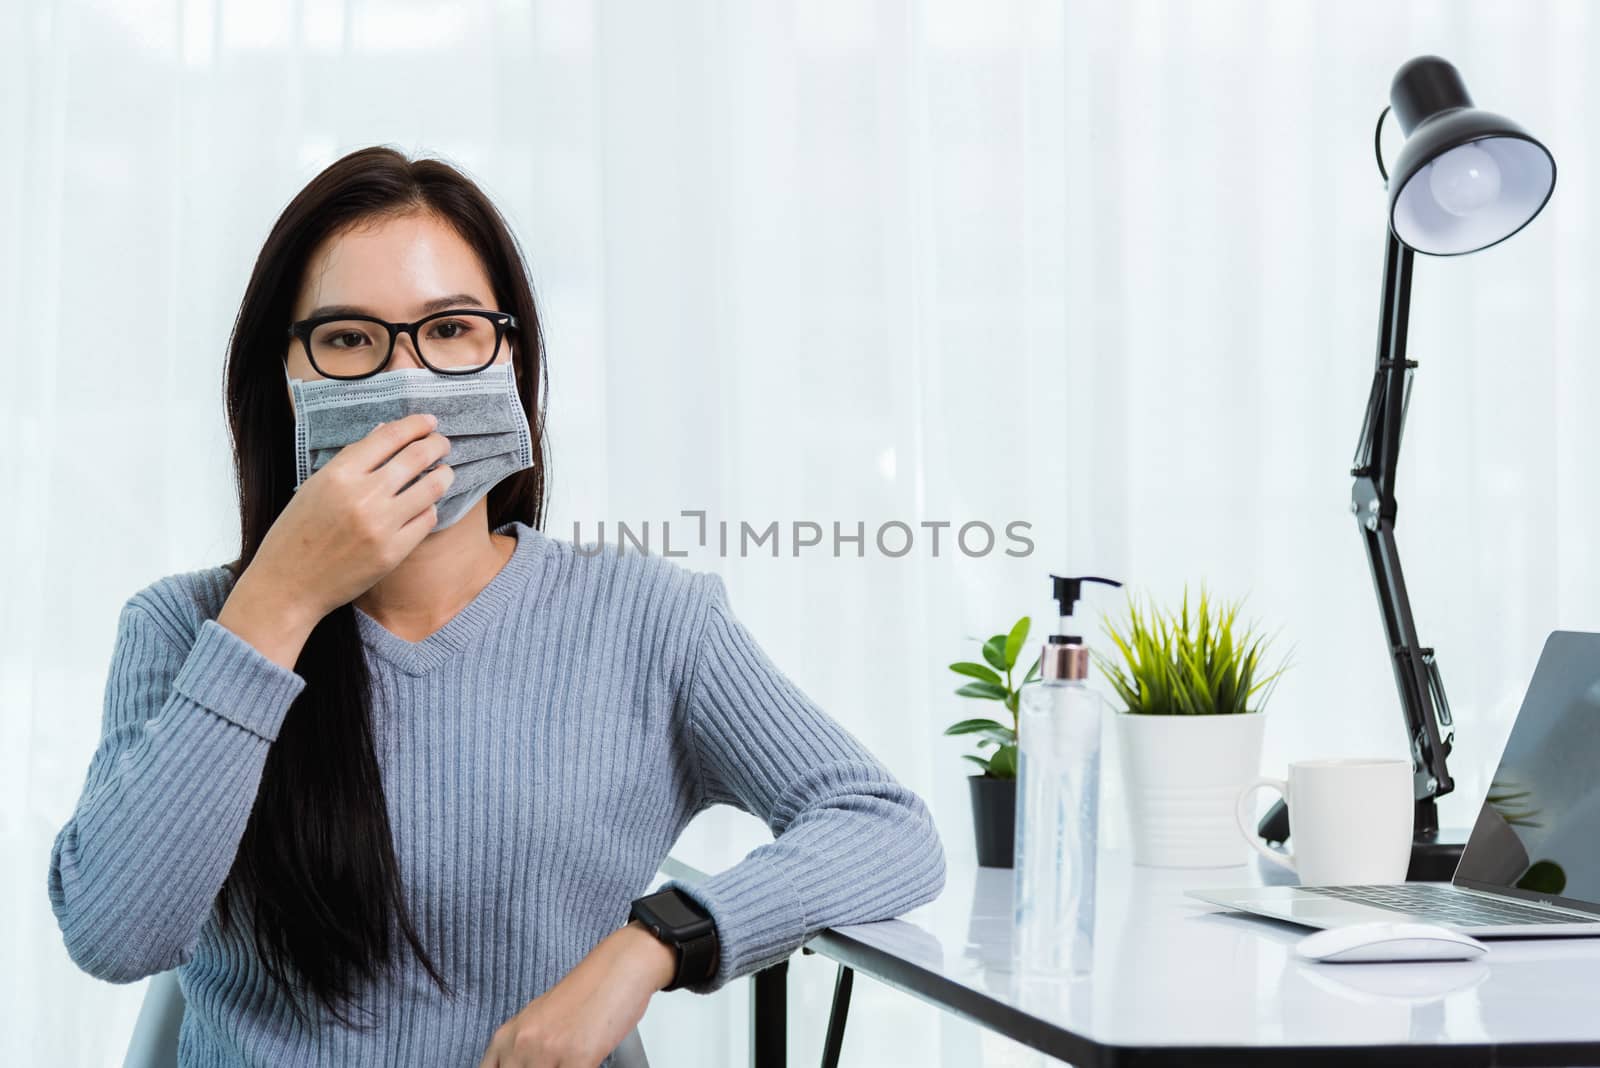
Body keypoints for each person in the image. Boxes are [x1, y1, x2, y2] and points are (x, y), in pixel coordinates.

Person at [46, 146, 946, 1067]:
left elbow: (883, 825)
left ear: (508, 354)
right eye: (349, 338)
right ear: (287, 373)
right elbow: (117, 938)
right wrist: (281, 600)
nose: (408, 379)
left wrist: (652, 947)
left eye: (450, 330)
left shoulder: (648, 621)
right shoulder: (182, 626)